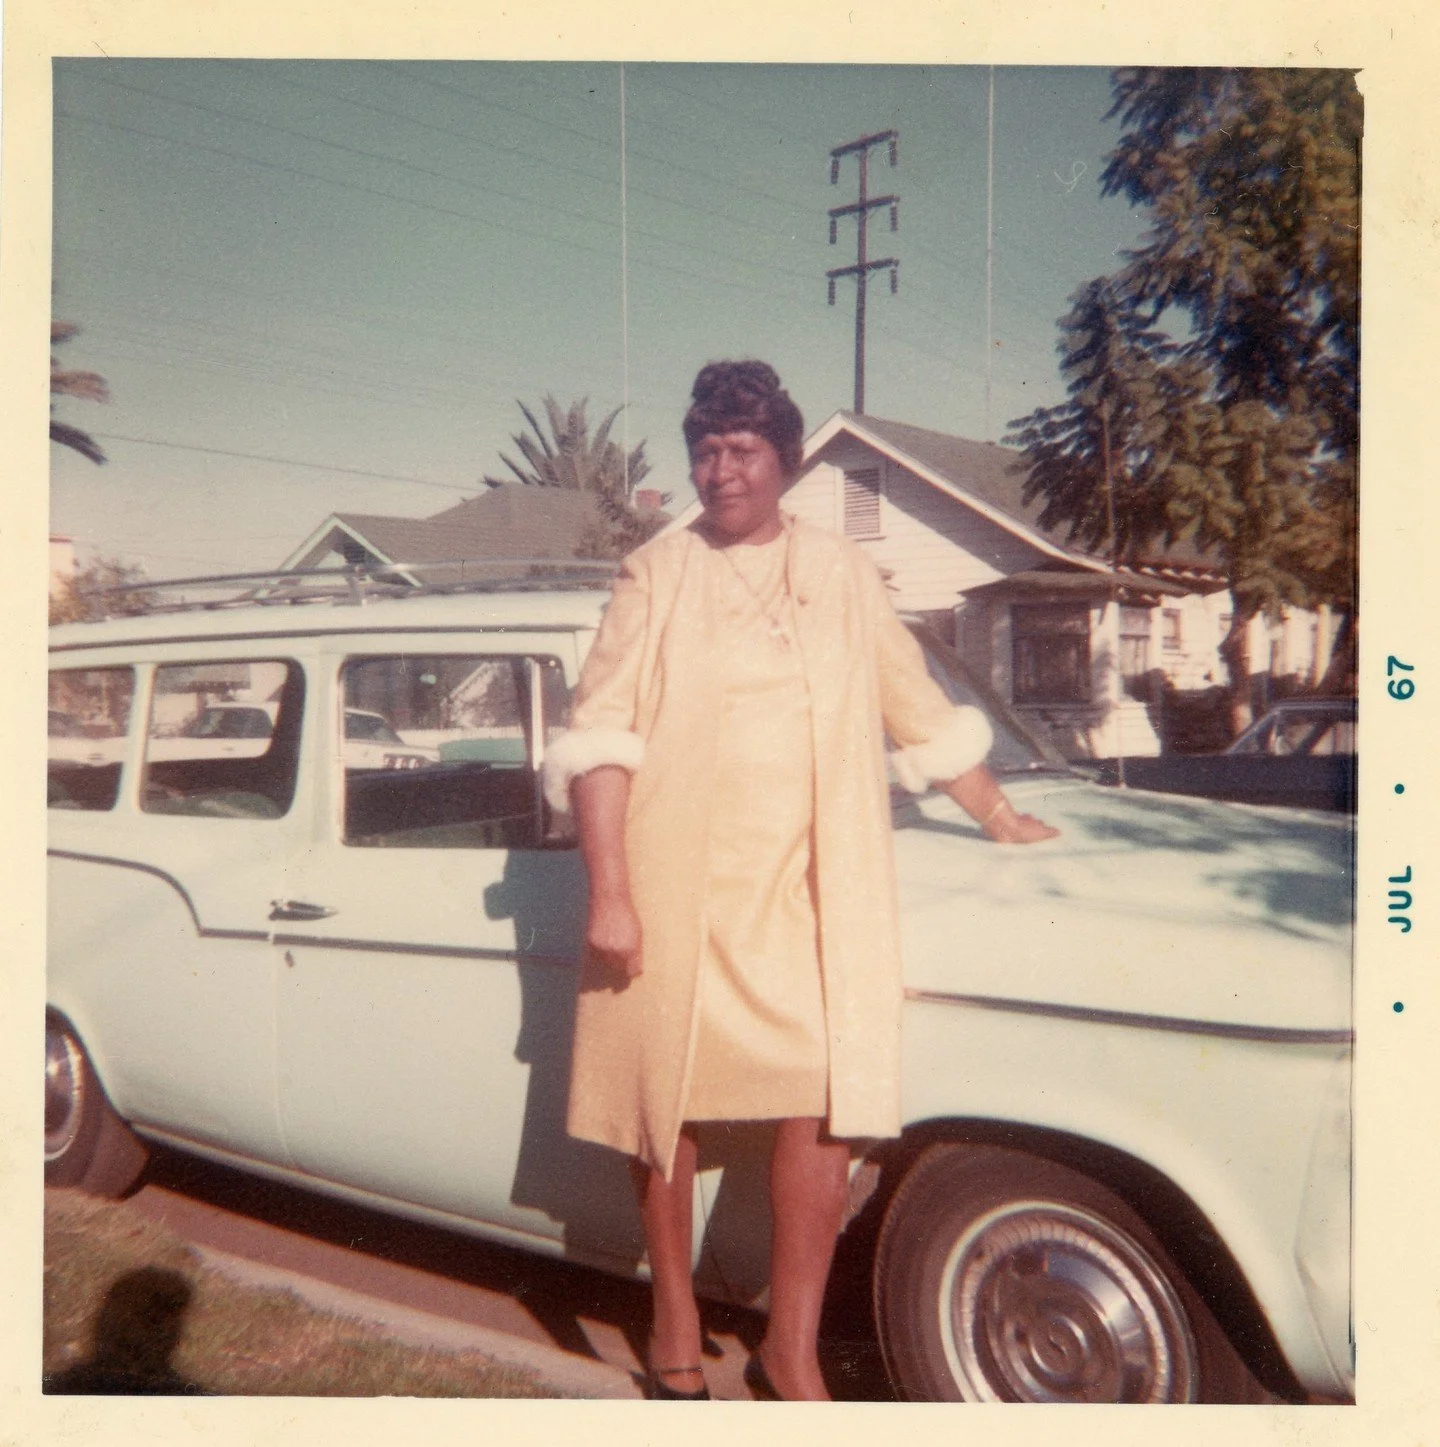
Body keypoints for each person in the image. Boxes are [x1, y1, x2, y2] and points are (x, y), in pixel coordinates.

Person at [542, 360, 1057, 1401]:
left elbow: (913, 702)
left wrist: (997, 813)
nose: (720, 471)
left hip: (810, 885)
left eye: (742, 451)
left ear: (783, 461)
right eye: (705, 452)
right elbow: (598, 738)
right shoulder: (654, 572)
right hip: (679, 882)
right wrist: (612, 890)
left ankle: (791, 1345)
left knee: (830, 1094)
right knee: (665, 1098)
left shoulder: (842, 571)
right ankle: (674, 1317)